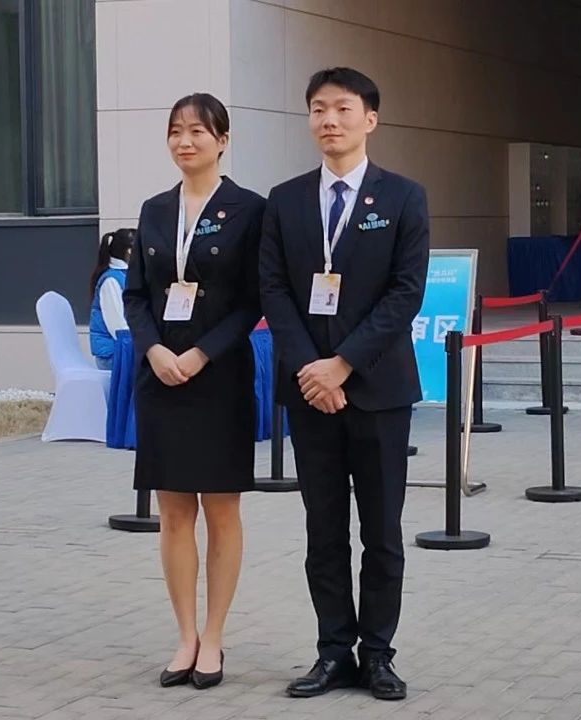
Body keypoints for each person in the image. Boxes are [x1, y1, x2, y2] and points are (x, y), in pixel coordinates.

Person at [260, 67, 428, 702]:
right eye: (318, 109)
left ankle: (378, 654)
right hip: (311, 394)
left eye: (343, 108)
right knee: (323, 530)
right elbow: (273, 289)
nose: (329, 120)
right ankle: (333, 652)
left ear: (370, 119)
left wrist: (344, 364)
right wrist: (313, 369)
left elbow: (405, 293)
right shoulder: (285, 200)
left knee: (381, 532)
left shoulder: (403, 197)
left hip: (379, 390)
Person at [122, 92, 265, 691]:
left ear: (222, 141)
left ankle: (214, 635)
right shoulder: (154, 209)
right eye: (176, 131)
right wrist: (154, 351)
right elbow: (135, 295)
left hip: (219, 377)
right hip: (161, 378)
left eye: (198, 132)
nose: (185, 141)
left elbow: (253, 301)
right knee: (174, 511)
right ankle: (184, 636)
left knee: (221, 510)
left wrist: (202, 352)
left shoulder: (250, 209)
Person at [88, 229, 135, 371]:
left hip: (124, 351)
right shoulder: (111, 281)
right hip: (113, 356)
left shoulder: (126, 276)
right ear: (129, 252)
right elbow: (119, 329)